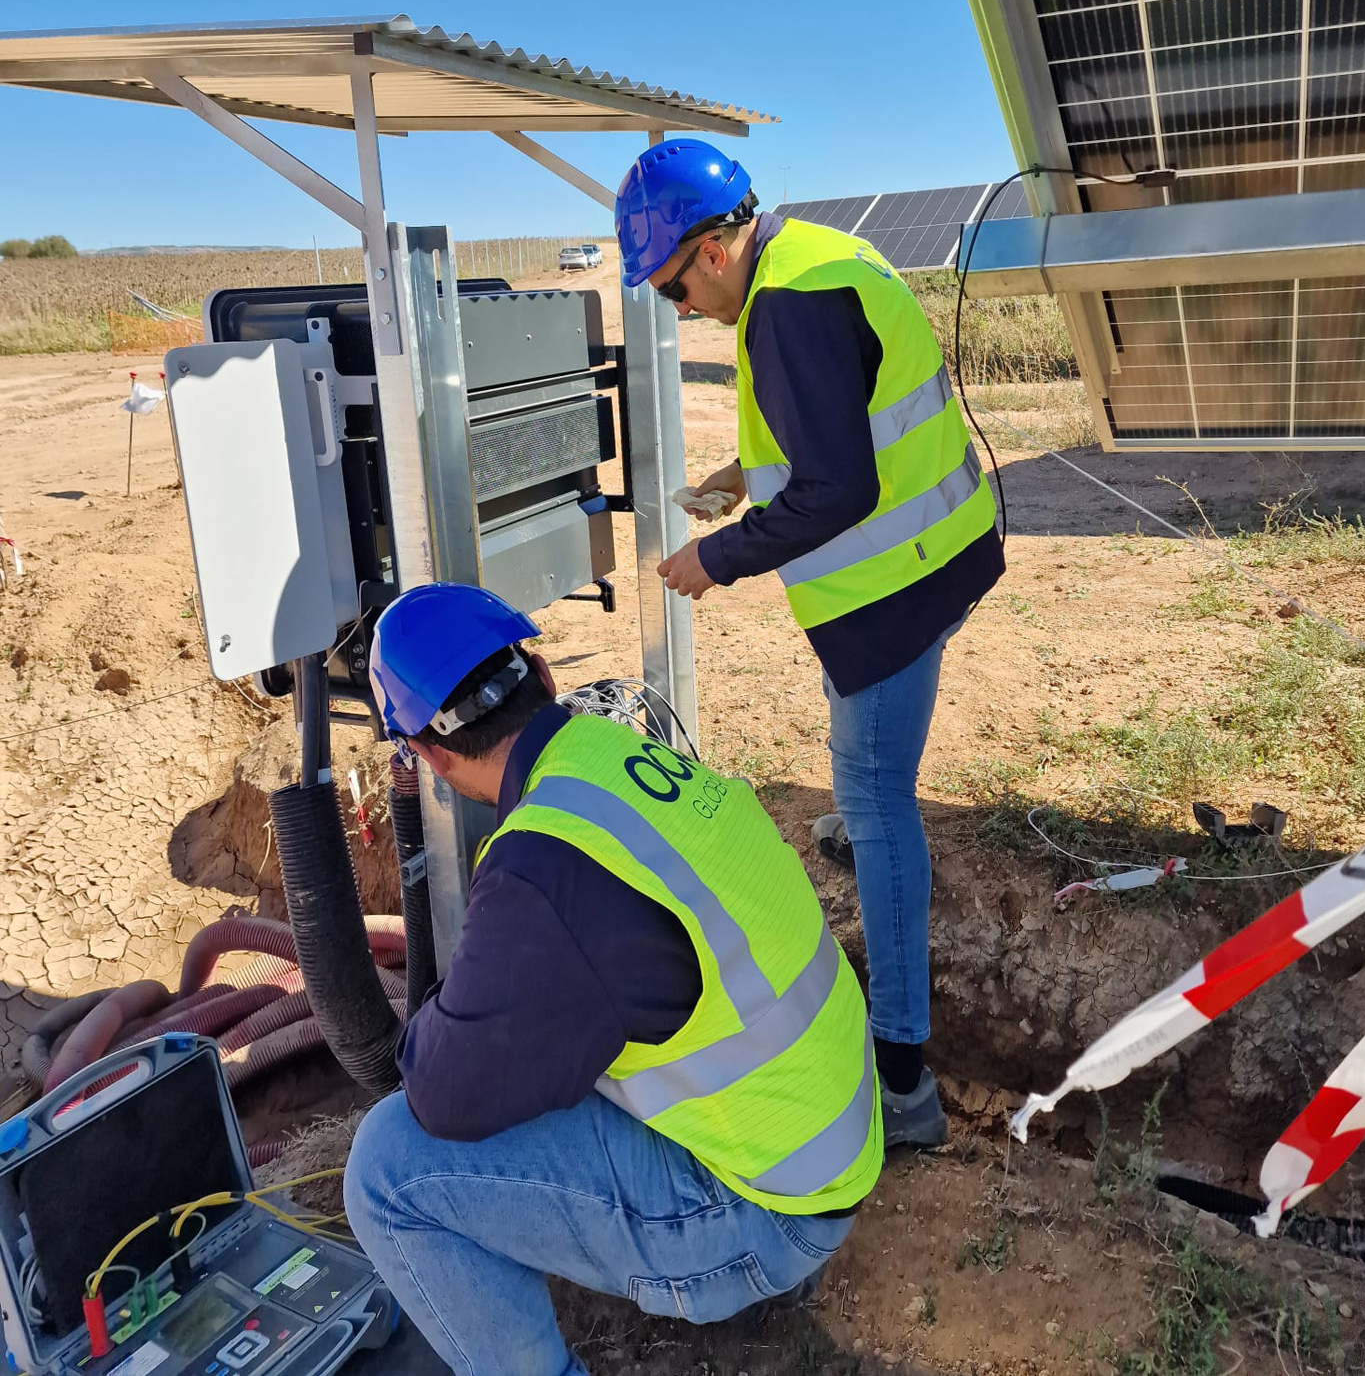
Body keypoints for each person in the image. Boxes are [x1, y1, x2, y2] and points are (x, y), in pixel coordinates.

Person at [345, 581, 882, 1376]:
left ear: (427, 755)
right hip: (828, 1137)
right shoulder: (616, 757)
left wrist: (438, 1018)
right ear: (545, 673)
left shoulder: (540, 871)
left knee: (386, 1167)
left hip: (764, 1213)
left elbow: (442, 1095)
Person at [615, 139, 1006, 1148]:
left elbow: (842, 490)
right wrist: (749, 475)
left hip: (896, 591)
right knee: (866, 772)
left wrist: (721, 557)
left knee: (878, 800)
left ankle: (904, 1080)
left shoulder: (785, 306)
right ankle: (863, 824)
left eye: (666, 290)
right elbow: (841, 423)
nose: (677, 310)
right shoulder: (809, 255)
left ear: (708, 251)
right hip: (942, 552)